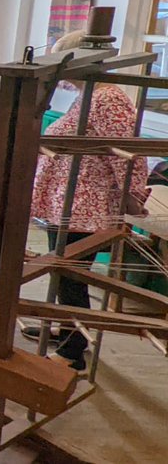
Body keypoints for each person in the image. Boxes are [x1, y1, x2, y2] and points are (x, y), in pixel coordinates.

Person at [28, 30, 149, 370]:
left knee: (71, 276)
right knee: (63, 271)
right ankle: (65, 328)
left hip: (85, 209)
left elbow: (128, 155)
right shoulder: (90, 95)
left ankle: (72, 350)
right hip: (71, 205)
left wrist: (133, 196)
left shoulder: (107, 98)